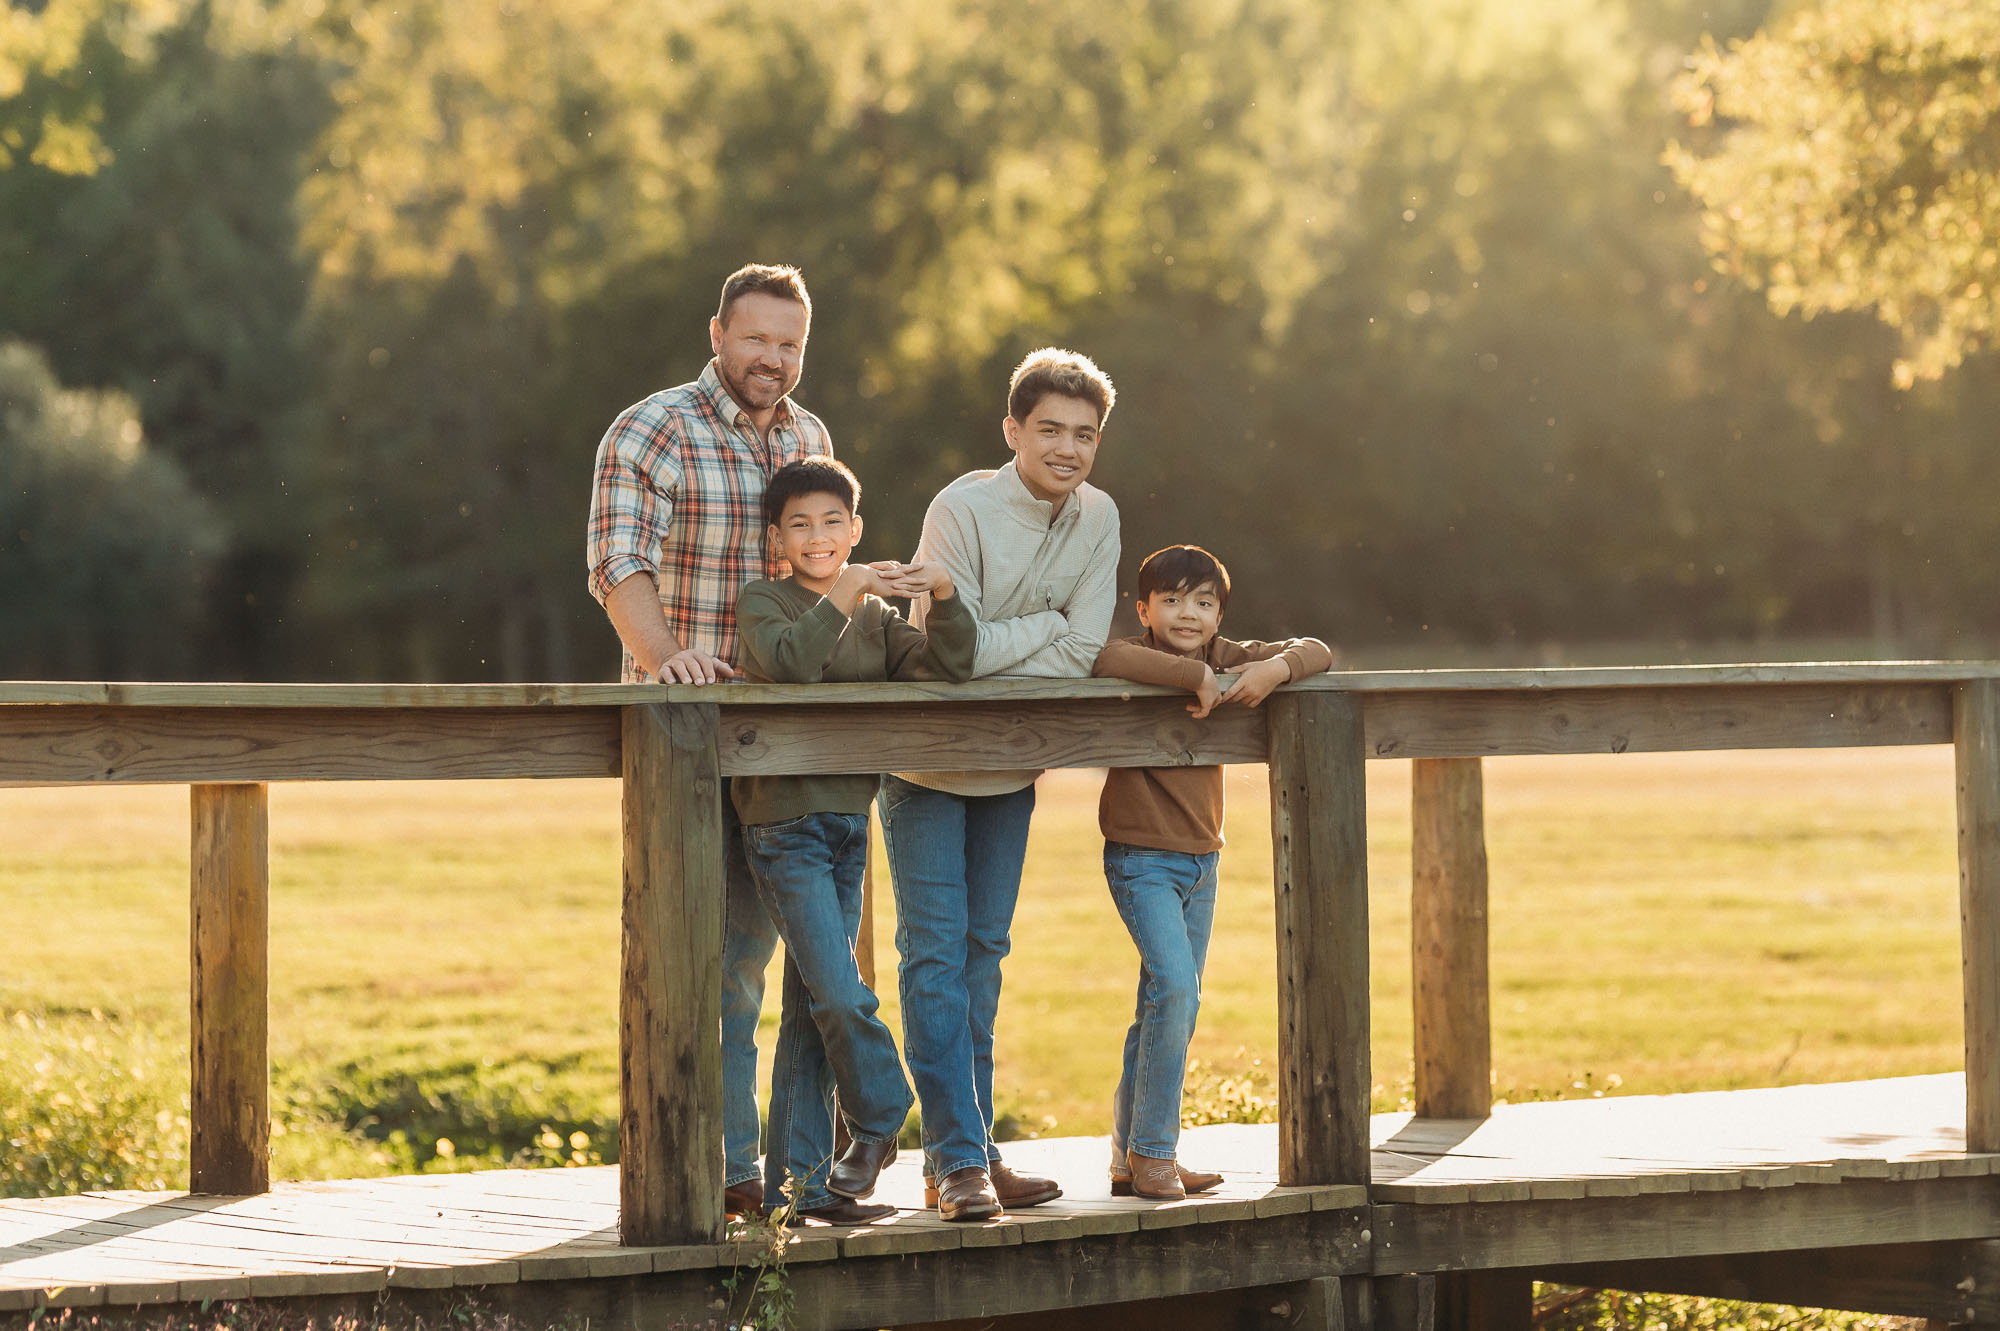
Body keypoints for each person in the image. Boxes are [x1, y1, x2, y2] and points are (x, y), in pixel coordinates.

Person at [584, 263, 829, 1219]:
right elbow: (618, 561)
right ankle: (721, 1169)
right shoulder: (655, 427)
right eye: (758, 338)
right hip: (685, 742)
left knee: (809, 961)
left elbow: (821, 564)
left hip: (792, 739)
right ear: (718, 332)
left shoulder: (810, 437)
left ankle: (802, 1173)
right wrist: (671, 658)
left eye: (790, 344)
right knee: (707, 960)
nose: (773, 359)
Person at [878, 348, 1122, 1221]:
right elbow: (956, 653)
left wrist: (1020, 636)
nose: (1068, 447)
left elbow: (1086, 645)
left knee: (986, 956)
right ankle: (953, 1162)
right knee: (937, 960)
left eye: (1084, 434)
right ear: (1012, 430)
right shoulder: (962, 507)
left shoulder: (1099, 517)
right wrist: (1041, 630)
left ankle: (974, 1150)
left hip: (1011, 769)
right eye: (1049, 429)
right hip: (928, 767)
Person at [732, 458, 976, 1224]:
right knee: (838, 989)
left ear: (856, 529)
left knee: (814, 1005)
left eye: (832, 522)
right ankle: (880, 1115)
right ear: (777, 536)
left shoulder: (880, 621)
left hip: (847, 826)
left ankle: (795, 1193)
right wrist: (850, 588)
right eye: (799, 524)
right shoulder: (762, 602)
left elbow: (949, 668)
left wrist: (941, 594)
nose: (817, 536)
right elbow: (795, 666)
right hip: (782, 825)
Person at [1090, 544, 1334, 1198]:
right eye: (1170, 600)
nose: (1187, 613)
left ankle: (1129, 1153)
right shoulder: (1138, 656)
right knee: (1176, 991)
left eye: (1203, 602)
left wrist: (1276, 669)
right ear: (1143, 608)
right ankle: (1153, 1153)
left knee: (1164, 1003)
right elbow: (1107, 656)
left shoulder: (1228, 656)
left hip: (1203, 859)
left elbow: (1318, 649)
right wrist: (1189, 678)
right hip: (1141, 855)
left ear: (1220, 612)